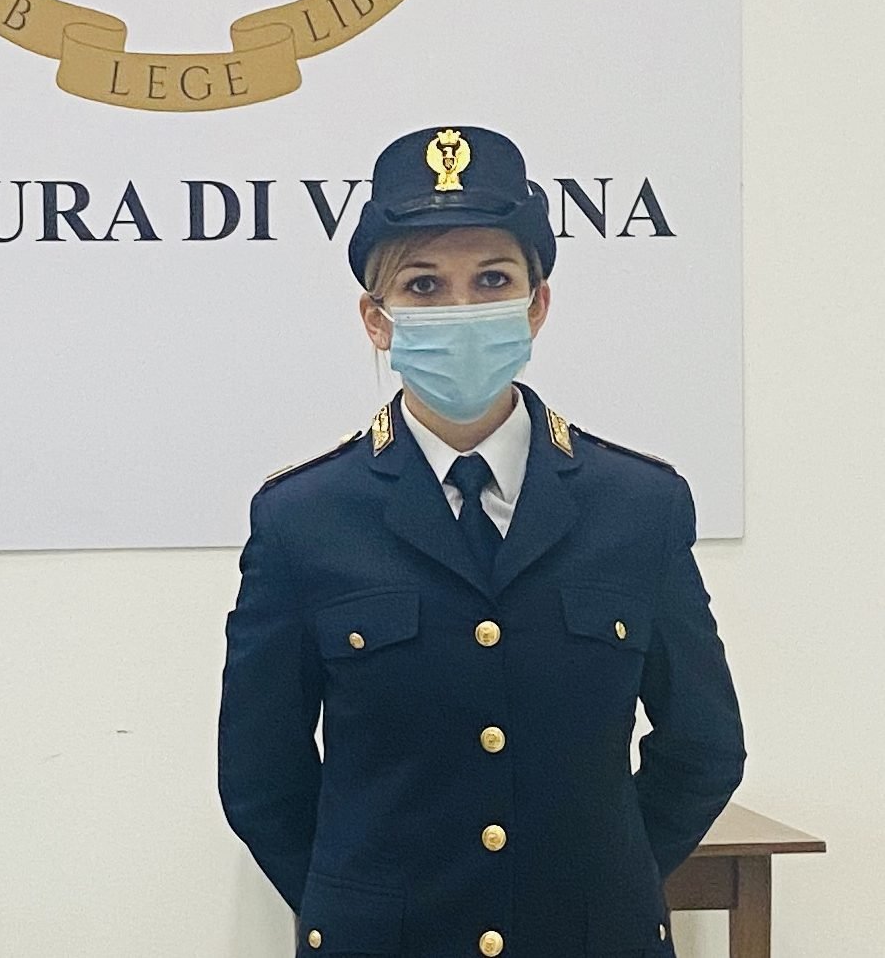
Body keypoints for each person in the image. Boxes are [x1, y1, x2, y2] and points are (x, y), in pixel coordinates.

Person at [218, 125, 745, 958]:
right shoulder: (303, 518)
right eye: (423, 285)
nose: (460, 310)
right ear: (376, 320)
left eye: (492, 280)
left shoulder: (637, 506)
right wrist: (360, 904)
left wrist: (607, 883)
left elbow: (704, 745)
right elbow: (259, 776)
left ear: (536, 305)